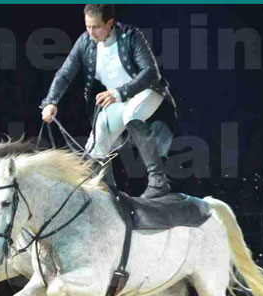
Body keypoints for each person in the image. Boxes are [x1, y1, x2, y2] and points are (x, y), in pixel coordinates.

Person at [41, 4, 178, 199]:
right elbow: (65, 73)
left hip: (146, 92)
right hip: (118, 100)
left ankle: (158, 181)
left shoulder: (131, 36)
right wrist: (51, 101)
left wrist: (119, 92)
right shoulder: (84, 42)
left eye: (96, 27)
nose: (91, 32)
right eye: (87, 27)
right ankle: (107, 193)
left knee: (132, 114)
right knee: (97, 142)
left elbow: (151, 73)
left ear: (110, 22)